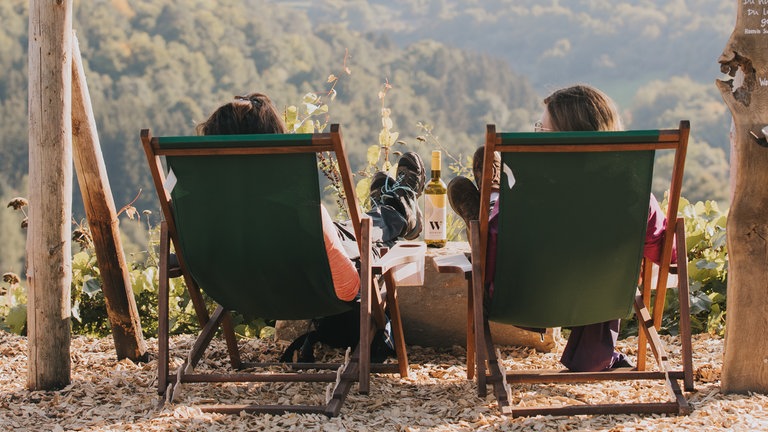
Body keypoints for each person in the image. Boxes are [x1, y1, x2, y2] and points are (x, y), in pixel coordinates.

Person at [447, 84, 674, 372]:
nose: (536, 136)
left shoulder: (528, 195)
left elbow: (491, 258)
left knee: (487, 230)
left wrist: (477, 245)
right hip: (600, 302)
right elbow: (668, 253)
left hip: (523, 300)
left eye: (541, 131)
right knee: (595, 264)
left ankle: (485, 205)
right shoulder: (633, 196)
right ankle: (594, 357)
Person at [195, 92, 426, 301]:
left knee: (344, 228)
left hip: (236, 291)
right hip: (314, 282)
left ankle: (394, 208)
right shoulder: (300, 209)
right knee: (359, 234)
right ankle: (398, 207)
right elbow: (346, 287)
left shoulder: (200, 210)